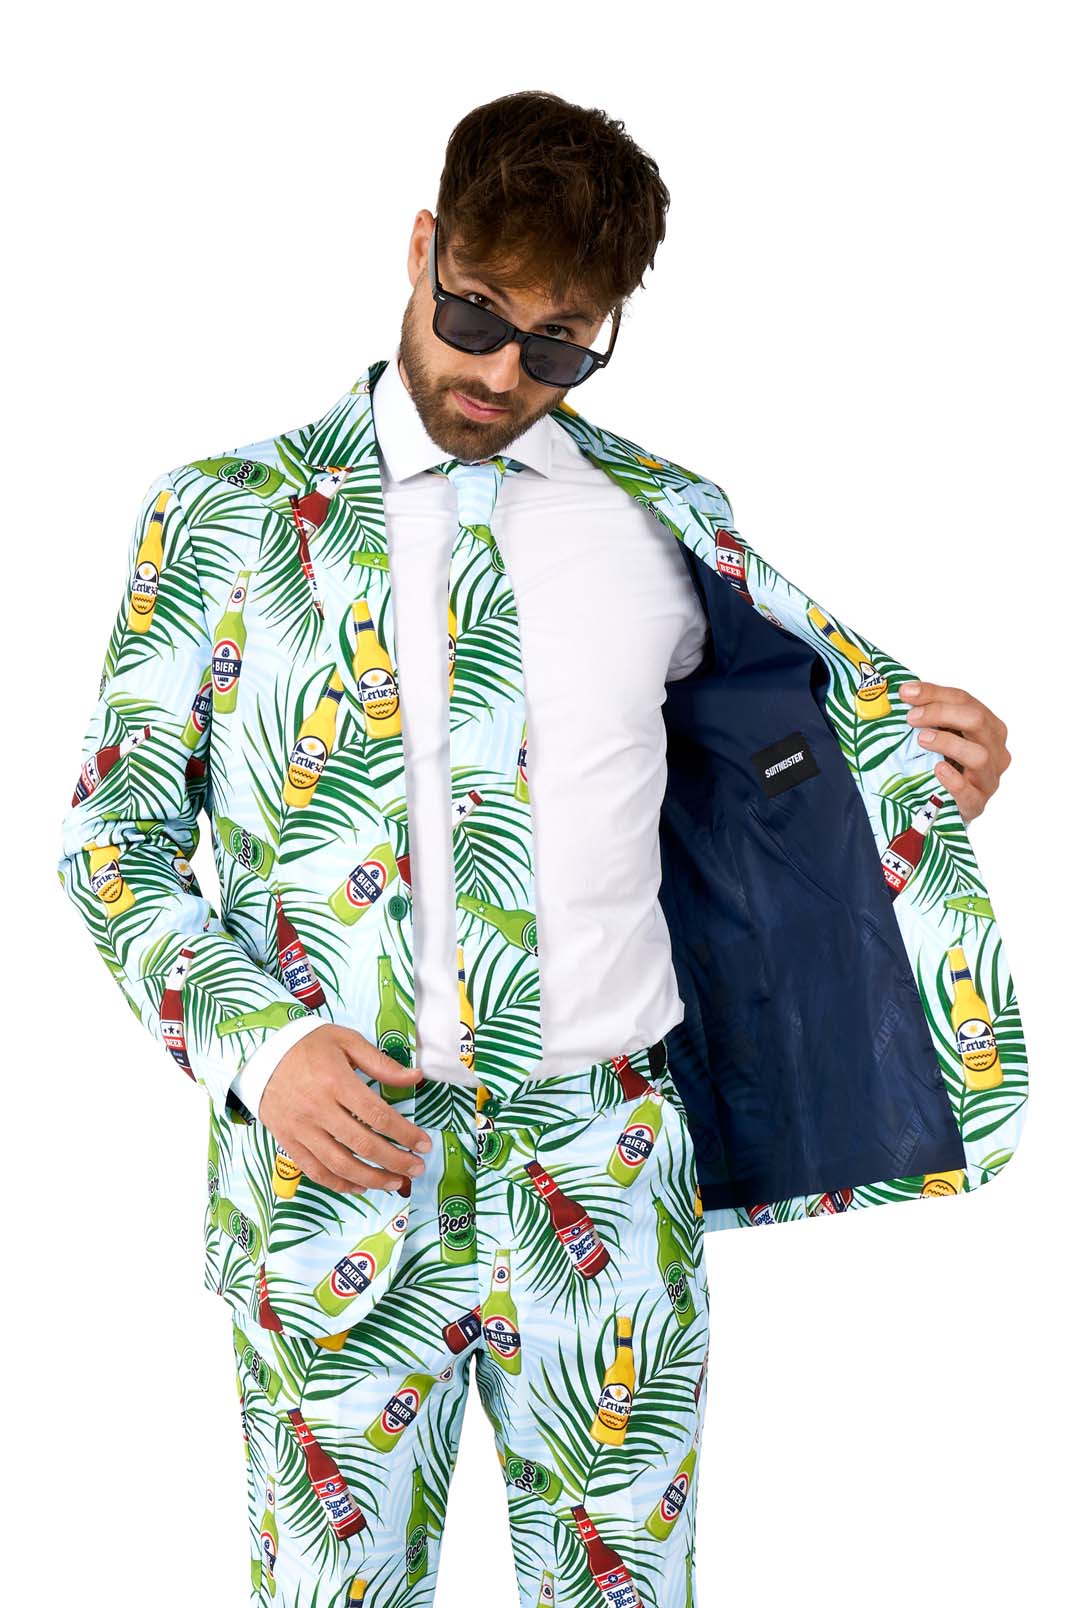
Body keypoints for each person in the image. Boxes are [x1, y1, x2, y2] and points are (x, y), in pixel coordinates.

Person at [57, 90, 1018, 1606]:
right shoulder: (228, 521)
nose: (503, 372)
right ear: (425, 247)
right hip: (335, 1185)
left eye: (560, 342)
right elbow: (113, 837)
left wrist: (922, 781)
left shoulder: (667, 524)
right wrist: (262, 1048)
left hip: (605, 1176)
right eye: (477, 314)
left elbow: (771, 787)